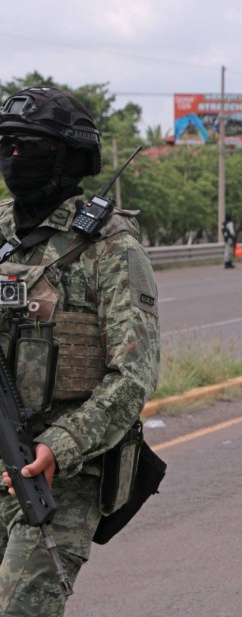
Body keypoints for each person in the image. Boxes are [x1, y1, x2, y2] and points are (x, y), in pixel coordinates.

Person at [0, 87, 160, 614]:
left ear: (69, 156)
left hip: (62, 474)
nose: (13, 158)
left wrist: (59, 447)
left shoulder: (110, 247)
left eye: (28, 146)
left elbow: (133, 374)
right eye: (5, 144)